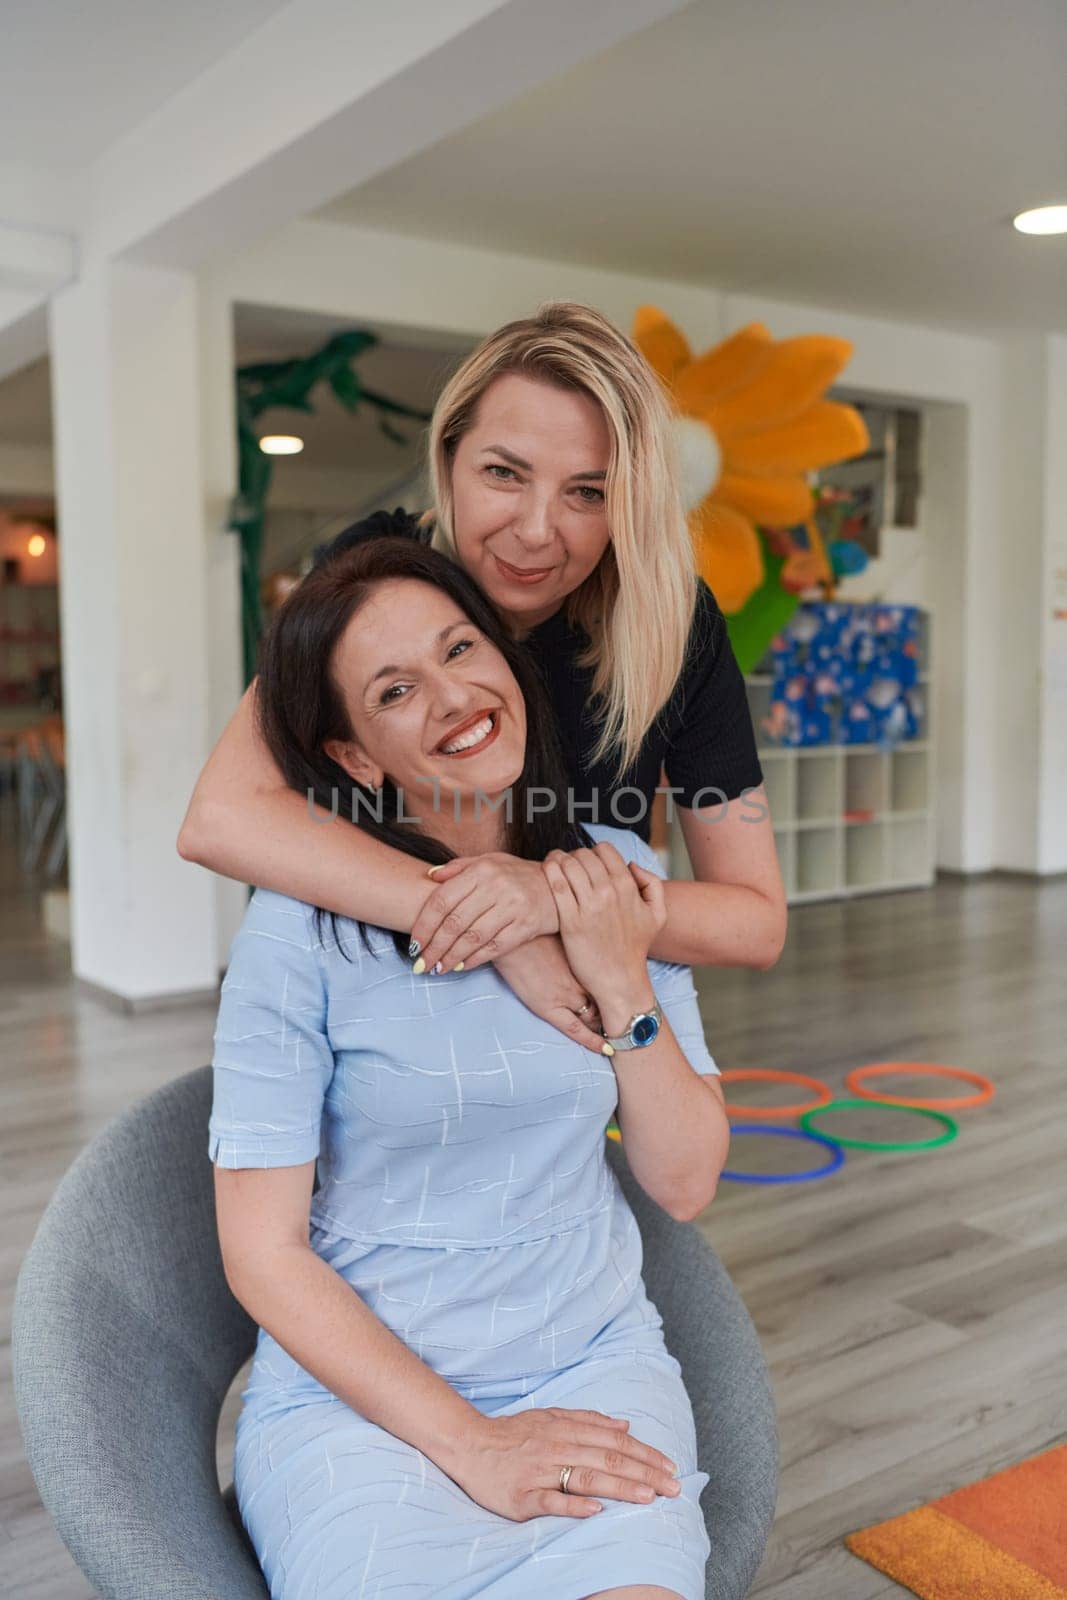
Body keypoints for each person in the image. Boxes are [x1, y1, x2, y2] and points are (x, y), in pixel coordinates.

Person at [210, 536, 731, 1600]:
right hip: (364, 1403)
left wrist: (620, 983)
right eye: (396, 688)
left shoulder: (614, 866)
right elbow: (261, 1255)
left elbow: (684, 1179)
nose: (453, 696)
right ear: (354, 755)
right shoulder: (295, 929)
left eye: (461, 648)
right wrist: (470, 1442)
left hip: (584, 1358)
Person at [179, 301, 786, 1057]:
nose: (536, 530)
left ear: (626, 503)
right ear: (451, 463)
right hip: (376, 1007)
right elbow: (222, 817)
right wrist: (498, 927)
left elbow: (755, 921)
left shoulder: (672, 623)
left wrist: (544, 903)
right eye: (504, 473)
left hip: (580, 1028)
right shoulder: (376, 574)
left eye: (587, 492)